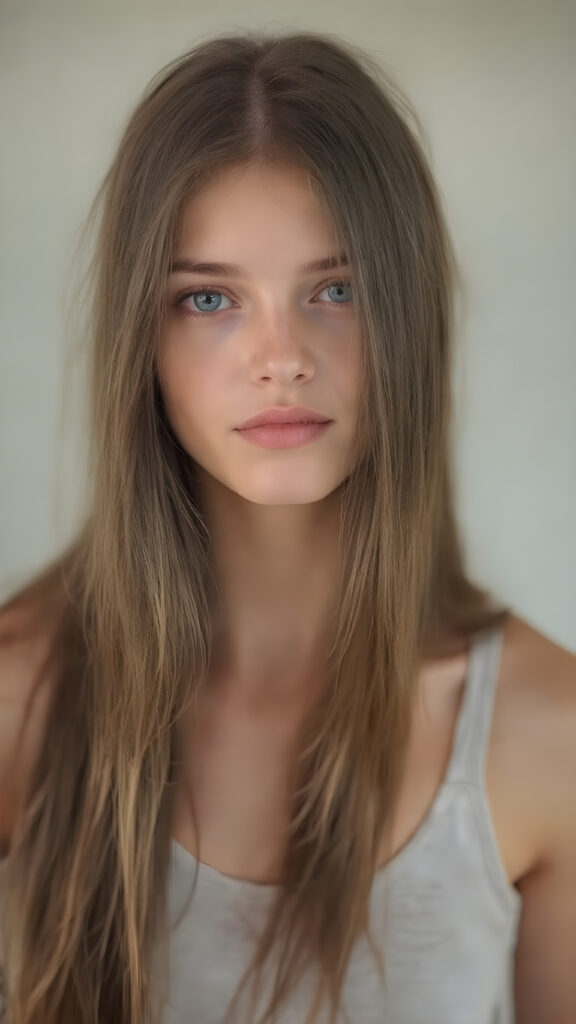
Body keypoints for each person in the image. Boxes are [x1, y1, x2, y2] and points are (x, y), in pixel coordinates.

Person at [0, 28, 574, 1024]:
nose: (281, 356)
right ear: (142, 337)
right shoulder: (17, 699)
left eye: (336, 290)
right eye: (210, 298)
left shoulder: (549, 733)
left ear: (410, 316)